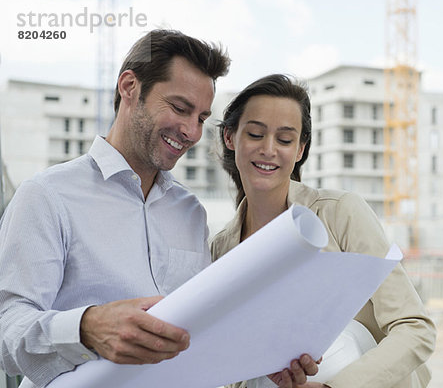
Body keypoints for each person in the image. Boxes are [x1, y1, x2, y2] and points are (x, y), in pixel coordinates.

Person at [0, 30, 317, 388]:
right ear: (129, 87)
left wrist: (263, 365)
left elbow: (198, 338)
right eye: (180, 109)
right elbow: (7, 327)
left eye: (200, 117)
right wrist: (86, 327)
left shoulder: (191, 212)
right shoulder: (46, 196)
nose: (191, 132)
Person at [211, 74, 437, 388]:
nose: (269, 149)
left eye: (285, 139)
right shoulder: (220, 249)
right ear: (230, 138)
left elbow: (415, 327)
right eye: (255, 134)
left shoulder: (341, 213)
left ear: (301, 149)